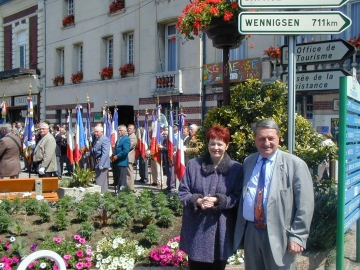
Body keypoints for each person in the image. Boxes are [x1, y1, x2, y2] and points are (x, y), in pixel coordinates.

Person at [233, 119, 314, 270]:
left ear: (279, 138)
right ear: (255, 140)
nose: (266, 143)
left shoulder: (295, 165)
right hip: (252, 232)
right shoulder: (248, 162)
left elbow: (306, 205)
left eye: (271, 138)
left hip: (280, 234)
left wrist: (298, 236)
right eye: (262, 138)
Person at [178, 125, 243, 270]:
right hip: (196, 230)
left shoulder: (236, 168)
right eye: (212, 143)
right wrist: (198, 200)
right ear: (207, 144)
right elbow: (183, 192)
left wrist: (219, 200)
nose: (216, 147)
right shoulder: (194, 165)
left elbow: (238, 197)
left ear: (227, 145)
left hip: (222, 231)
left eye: (220, 144)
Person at [91, 126, 110, 193]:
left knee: (99, 182)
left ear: (101, 132)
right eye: (95, 131)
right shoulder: (97, 139)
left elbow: (105, 153)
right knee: (103, 183)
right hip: (96, 162)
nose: (95, 133)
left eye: (97, 132)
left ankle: (99, 197)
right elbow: (95, 150)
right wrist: (89, 153)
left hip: (102, 164)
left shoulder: (105, 139)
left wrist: (101, 164)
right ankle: (104, 196)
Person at [112, 125, 130, 192]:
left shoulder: (126, 139)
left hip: (122, 162)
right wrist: (113, 155)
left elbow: (125, 150)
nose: (119, 132)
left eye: (121, 130)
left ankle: (121, 192)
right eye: (118, 130)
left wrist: (117, 156)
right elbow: (117, 149)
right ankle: (119, 191)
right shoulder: (120, 139)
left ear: (125, 131)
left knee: (122, 179)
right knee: (118, 177)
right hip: (117, 162)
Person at [126, 124, 137, 190]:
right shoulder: (128, 136)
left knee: (129, 173)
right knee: (127, 173)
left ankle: (131, 188)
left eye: (131, 128)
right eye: (128, 128)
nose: (129, 129)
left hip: (129, 157)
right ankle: (128, 187)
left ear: (134, 130)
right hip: (127, 157)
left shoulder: (132, 137)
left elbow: (128, 146)